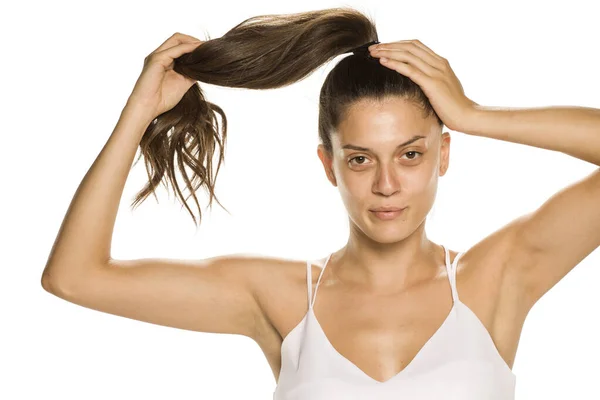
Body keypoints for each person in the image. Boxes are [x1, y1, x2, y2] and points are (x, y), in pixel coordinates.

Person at [40, 7, 600, 400]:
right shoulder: (279, 298)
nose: (386, 184)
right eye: (360, 159)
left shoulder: (495, 278)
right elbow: (75, 276)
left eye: (409, 154)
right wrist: (139, 113)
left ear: (443, 155)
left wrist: (476, 115)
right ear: (328, 165)